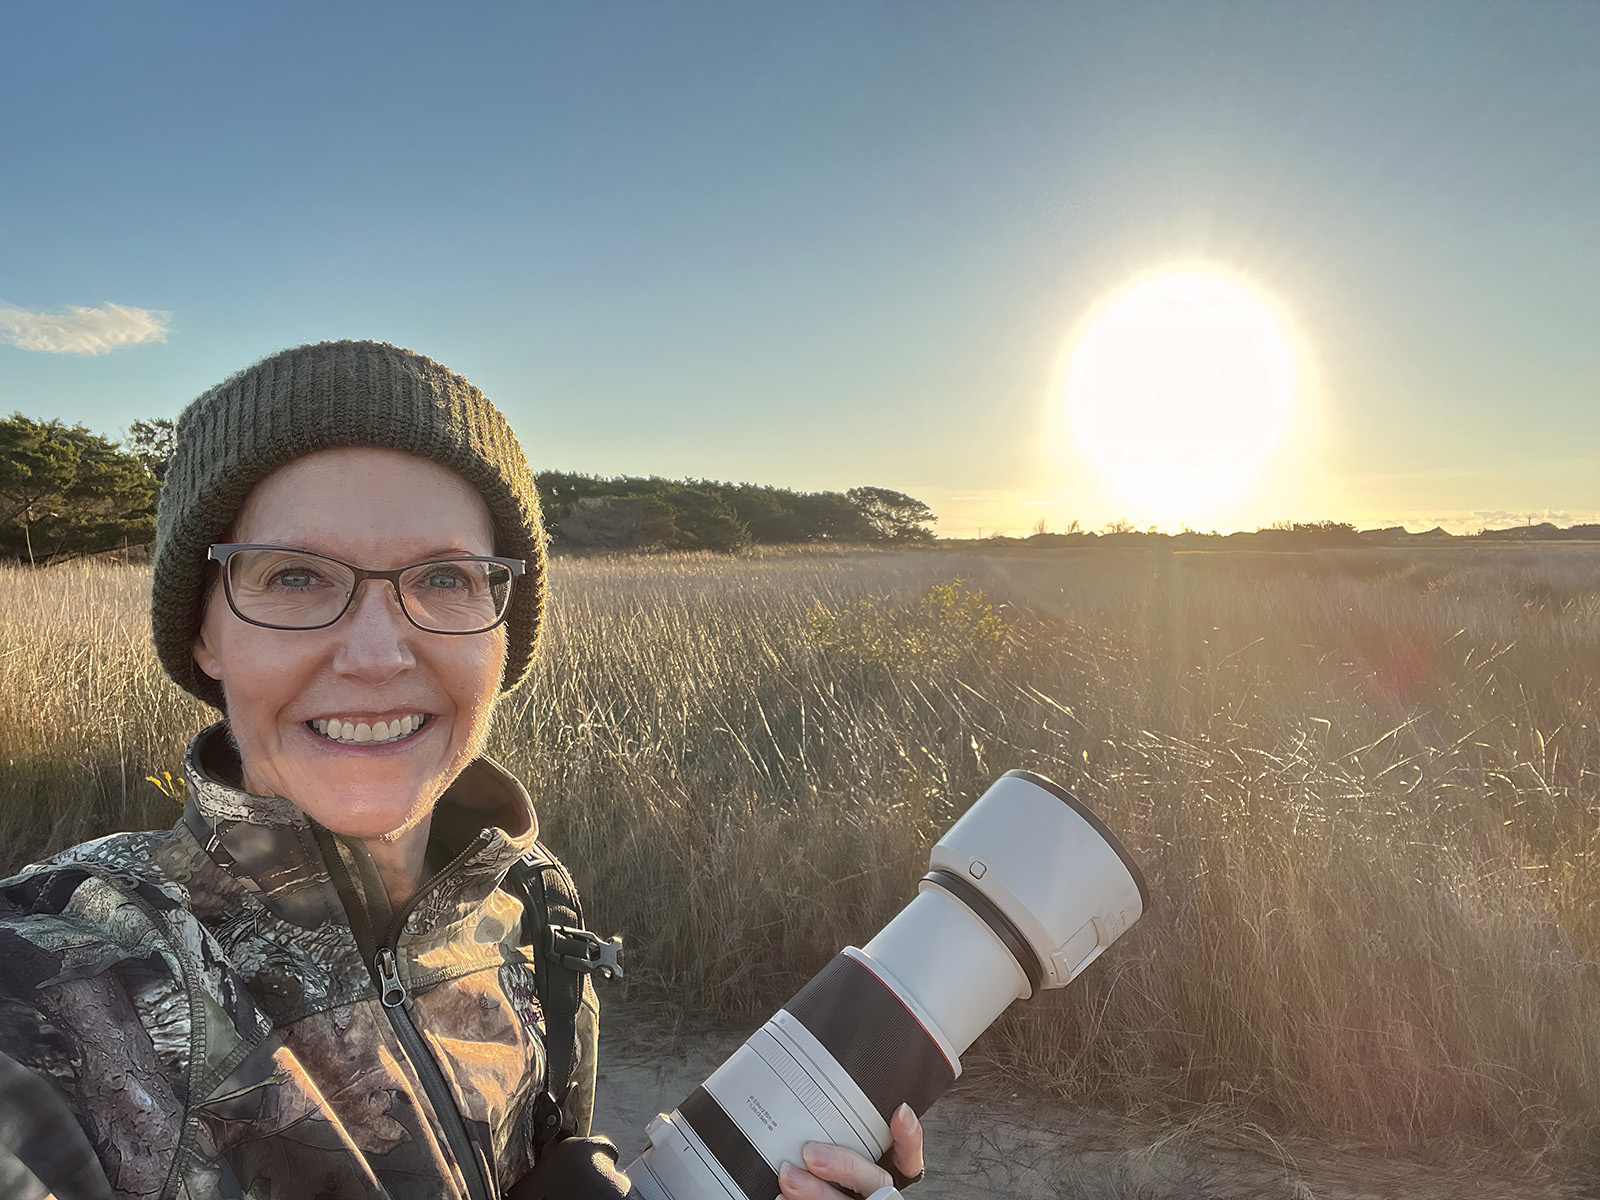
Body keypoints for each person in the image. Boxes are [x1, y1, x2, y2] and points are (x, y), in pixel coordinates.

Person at [0, 340, 924, 1199]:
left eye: (444, 579)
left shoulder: (531, 908)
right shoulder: (47, 973)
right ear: (203, 633)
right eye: (293, 576)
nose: (372, 654)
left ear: (502, 633)